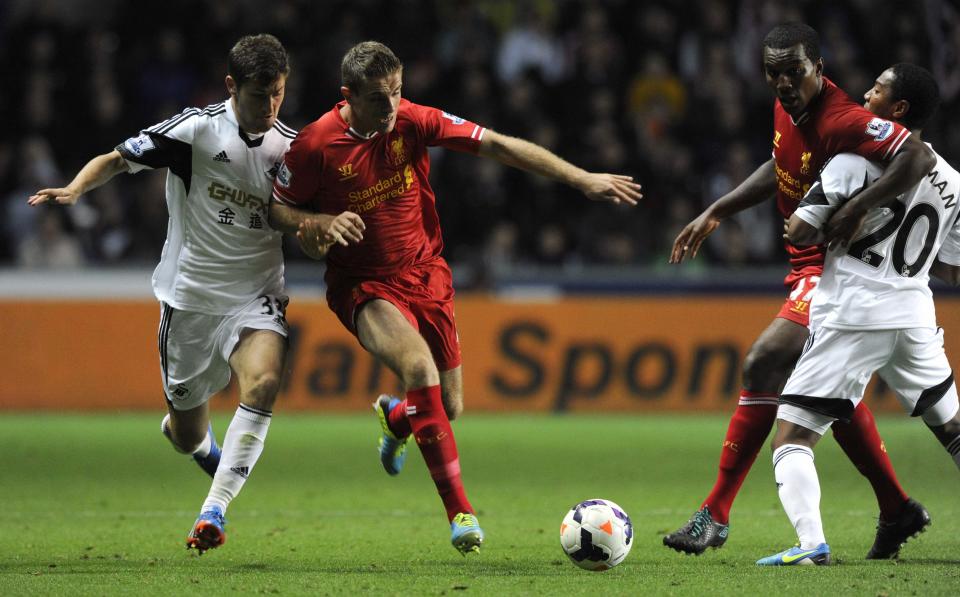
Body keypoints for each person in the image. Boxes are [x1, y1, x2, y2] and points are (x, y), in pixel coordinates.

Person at [268, 41, 642, 555]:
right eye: (379, 98)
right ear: (348, 95)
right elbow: (278, 210)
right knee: (418, 368)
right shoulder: (315, 145)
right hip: (363, 284)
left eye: (398, 93)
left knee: (448, 407)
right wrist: (316, 223)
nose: (392, 107)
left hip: (428, 274)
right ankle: (461, 514)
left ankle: (396, 418)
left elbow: (498, 145)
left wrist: (581, 179)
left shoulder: (413, 121)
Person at [665, 23, 937, 558]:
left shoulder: (843, 119)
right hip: (804, 266)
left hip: (837, 270)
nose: (784, 81)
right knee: (824, 394)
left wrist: (858, 205)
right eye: (774, 72)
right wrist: (719, 208)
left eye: (795, 71)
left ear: (819, 67)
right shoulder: (789, 109)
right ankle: (896, 506)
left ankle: (715, 513)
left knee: (764, 362)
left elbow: (919, 158)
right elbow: (783, 163)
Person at [28, 34, 296, 555]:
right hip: (191, 301)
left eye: (279, 94)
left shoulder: (292, 147)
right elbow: (116, 158)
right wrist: (76, 189)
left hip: (255, 296)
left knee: (263, 382)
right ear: (231, 87)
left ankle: (213, 511)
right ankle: (197, 442)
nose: (270, 107)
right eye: (260, 95)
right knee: (185, 433)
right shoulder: (194, 131)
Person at [758, 62, 960, 566]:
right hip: (913, 316)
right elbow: (954, 271)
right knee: (953, 430)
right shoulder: (954, 181)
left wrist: (830, 220)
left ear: (899, 110)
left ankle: (810, 547)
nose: (864, 96)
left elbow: (799, 232)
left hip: (850, 314)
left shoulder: (851, 160)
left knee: (793, 435)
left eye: (876, 91)